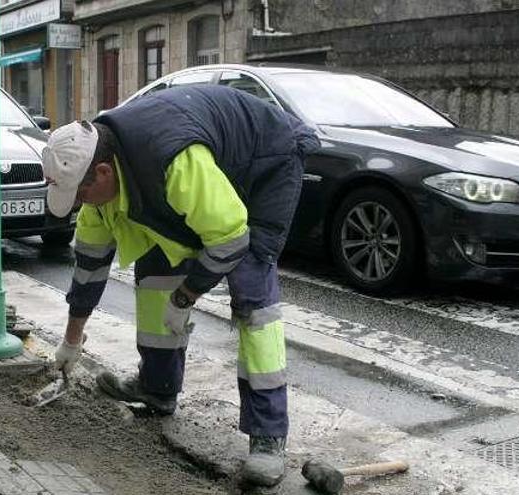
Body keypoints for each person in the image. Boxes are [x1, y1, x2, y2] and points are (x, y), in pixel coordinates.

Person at [46, 85, 320, 488]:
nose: (80, 203)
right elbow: (88, 269)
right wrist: (71, 341)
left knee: (252, 296)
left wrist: (187, 294)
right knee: (156, 272)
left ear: (103, 173)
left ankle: (268, 434)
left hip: (262, 164)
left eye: (80, 193)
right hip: (206, 172)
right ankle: (157, 389)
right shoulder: (101, 184)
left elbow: (229, 238)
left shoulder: (171, 159)